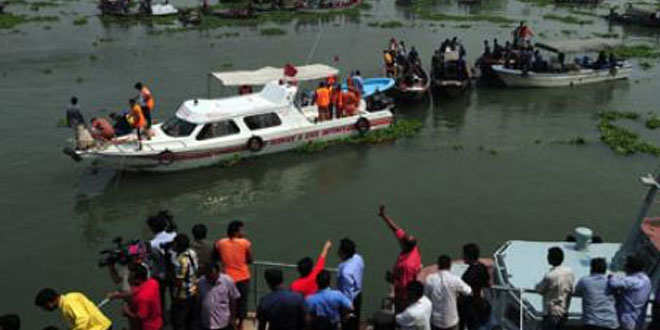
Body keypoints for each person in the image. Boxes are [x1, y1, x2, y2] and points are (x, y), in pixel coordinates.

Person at [377, 205, 422, 312]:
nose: (400, 239)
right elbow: (395, 229)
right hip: (405, 276)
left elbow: (405, 285)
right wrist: (384, 216)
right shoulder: (412, 247)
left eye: (402, 240)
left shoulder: (407, 265)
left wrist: (391, 279)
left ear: (404, 245)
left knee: (401, 315)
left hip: (404, 296)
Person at [215, 220, 253, 330]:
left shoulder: (220, 242)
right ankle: (240, 324)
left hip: (227, 277)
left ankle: (229, 322)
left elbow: (216, 255)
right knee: (242, 302)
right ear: (237, 231)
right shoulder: (244, 242)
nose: (243, 232)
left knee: (228, 302)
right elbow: (250, 259)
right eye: (241, 229)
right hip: (242, 277)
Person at [425, 255, 472, 330]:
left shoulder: (430, 279)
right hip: (451, 321)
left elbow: (427, 297)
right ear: (450, 266)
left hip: (436, 321)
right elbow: (469, 291)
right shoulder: (455, 279)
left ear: (438, 265)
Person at [535, 247, 575, 330]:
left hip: (551, 312)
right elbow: (571, 289)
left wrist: (536, 286)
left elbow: (539, 289)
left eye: (549, 256)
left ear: (552, 259)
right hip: (564, 311)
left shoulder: (550, 275)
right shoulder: (569, 272)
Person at [607, 255, 652, 330]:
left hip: (627, 320)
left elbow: (613, 283)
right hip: (638, 319)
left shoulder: (632, 280)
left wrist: (611, 277)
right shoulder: (646, 279)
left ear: (630, 268)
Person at [112, 264, 162, 330]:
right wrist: (119, 295)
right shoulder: (153, 282)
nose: (128, 279)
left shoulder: (142, 299)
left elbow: (139, 318)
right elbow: (137, 290)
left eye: (130, 277)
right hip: (158, 322)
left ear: (137, 280)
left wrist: (127, 312)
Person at [574, 258, 619, 330]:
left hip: (591, 322)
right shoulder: (611, 282)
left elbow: (576, 292)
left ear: (591, 268)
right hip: (610, 323)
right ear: (605, 269)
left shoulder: (585, 280)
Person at [35, 288, 112, 330]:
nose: (45, 309)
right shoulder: (69, 299)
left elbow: (83, 319)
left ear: (49, 303)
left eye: (44, 306)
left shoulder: (68, 302)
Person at [147, 212, 177, 312]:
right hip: (173, 271)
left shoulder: (152, 244)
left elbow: (153, 259)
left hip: (160, 274)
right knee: (174, 296)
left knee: (161, 299)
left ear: (151, 228)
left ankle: (163, 318)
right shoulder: (174, 235)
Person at [198, 263, 241, 330]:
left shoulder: (227, 281)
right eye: (208, 276)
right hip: (206, 323)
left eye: (212, 276)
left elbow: (233, 300)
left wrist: (233, 318)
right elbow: (199, 301)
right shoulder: (201, 282)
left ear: (218, 273)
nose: (210, 278)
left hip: (223, 323)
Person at [458, 243, 491, 330]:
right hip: (478, 301)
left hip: (469, 305)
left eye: (464, 254)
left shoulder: (468, 275)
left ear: (469, 256)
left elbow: (463, 291)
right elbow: (486, 283)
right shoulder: (482, 267)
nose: (463, 256)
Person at [171, 234, 199, 330]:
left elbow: (179, 281)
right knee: (191, 320)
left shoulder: (180, 261)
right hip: (193, 290)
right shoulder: (192, 253)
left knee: (179, 321)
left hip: (182, 295)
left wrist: (175, 296)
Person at [337, 238, 364, 330]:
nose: (338, 251)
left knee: (347, 325)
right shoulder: (359, 258)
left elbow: (347, 291)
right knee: (355, 323)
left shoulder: (345, 272)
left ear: (344, 253)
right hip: (358, 295)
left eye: (340, 249)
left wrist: (347, 311)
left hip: (349, 301)